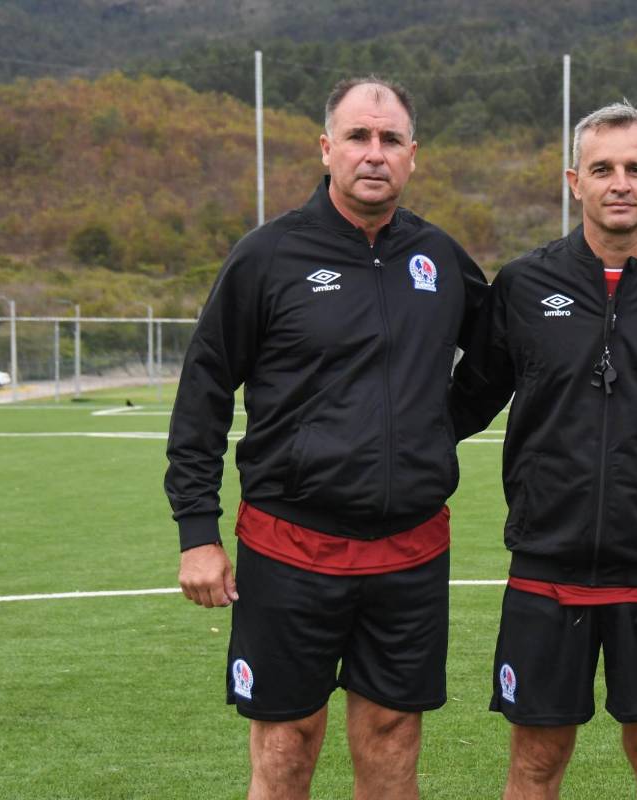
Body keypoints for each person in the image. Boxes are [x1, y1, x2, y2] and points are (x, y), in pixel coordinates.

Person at [164, 76, 487, 799]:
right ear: (326, 148)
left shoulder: (440, 259)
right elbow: (204, 394)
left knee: (393, 737)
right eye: (357, 137)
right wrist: (197, 530)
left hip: (410, 551)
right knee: (287, 743)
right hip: (290, 547)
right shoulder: (267, 257)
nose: (374, 154)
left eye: (390, 139)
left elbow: (495, 361)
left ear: (413, 155)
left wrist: (431, 427)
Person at [450, 101, 637, 800]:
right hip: (549, 560)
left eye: (635, 168)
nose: (620, 183)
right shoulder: (522, 286)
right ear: (573, 180)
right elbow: (460, 404)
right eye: (603, 168)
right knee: (536, 765)